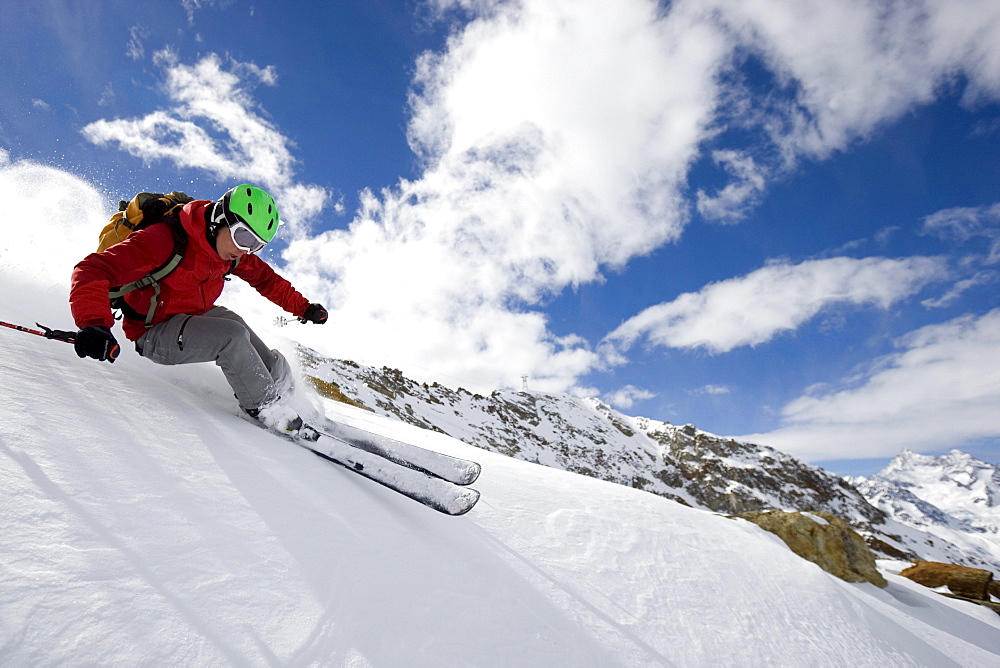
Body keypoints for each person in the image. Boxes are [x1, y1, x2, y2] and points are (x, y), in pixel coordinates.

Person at [69, 184, 329, 440]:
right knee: (231, 335)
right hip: (153, 332)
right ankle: (267, 409)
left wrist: (304, 308)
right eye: (243, 238)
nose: (245, 250)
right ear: (220, 218)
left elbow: (267, 280)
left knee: (236, 324)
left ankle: (282, 393)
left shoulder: (231, 252)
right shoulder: (164, 240)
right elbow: (92, 269)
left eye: (256, 245)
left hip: (193, 315)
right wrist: (93, 324)